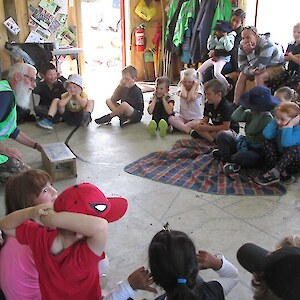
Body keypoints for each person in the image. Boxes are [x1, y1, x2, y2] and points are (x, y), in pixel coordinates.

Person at [0, 182, 128, 300]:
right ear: (80, 232)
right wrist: (52, 219)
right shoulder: (84, 256)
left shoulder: (40, 236)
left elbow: (5, 225)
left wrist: (31, 212)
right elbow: (101, 226)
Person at [0, 169, 58, 300]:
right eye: (45, 190)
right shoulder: (41, 232)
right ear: (28, 203)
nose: (54, 192)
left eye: (51, 185)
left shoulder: (14, 224)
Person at [148, 225, 239, 300]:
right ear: (195, 265)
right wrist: (216, 263)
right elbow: (233, 276)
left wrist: (133, 288)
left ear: (155, 278)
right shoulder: (212, 292)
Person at [214, 86, 279, 175]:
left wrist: (259, 113)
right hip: (245, 143)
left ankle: (229, 158)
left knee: (242, 157)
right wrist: (243, 106)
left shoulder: (267, 118)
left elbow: (251, 131)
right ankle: (228, 159)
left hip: (257, 150)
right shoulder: (250, 112)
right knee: (222, 135)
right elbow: (235, 117)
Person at [0, 62, 42, 183]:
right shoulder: (5, 96)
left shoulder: (6, 92)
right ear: (18, 76)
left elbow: (13, 131)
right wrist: (5, 150)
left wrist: (37, 146)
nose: (34, 85)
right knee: (25, 176)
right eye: (32, 80)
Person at [233, 26, 285, 106]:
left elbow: (259, 67)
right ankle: (235, 104)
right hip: (258, 65)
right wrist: (251, 71)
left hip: (276, 65)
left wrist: (249, 53)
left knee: (259, 76)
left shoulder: (267, 44)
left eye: (248, 38)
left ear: (256, 36)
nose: (245, 41)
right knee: (242, 75)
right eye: (243, 38)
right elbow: (241, 65)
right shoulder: (242, 44)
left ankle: (261, 105)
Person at [255, 101, 300, 186]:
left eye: (282, 119)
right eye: (277, 117)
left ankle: (275, 173)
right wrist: (274, 121)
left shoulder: (298, 130)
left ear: (295, 120)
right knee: (267, 141)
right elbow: (267, 135)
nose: (279, 121)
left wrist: (289, 126)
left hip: (292, 163)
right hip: (278, 160)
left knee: (293, 147)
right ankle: (281, 172)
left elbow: (286, 143)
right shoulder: (277, 123)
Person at [203, 9, 246, 83]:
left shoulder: (241, 34)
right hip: (219, 58)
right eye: (233, 20)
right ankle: (206, 92)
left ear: (241, 23)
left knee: (215, 72)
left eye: (237, 22)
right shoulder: (224, 28)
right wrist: (213, 54)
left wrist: (216, 53)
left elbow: (232, 51)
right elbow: (216, 41)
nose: (233, 23)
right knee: (207, 71)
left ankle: (220, 92)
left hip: (232, 61)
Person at [190, 79, 239, 143]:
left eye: (209, 94)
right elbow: (205, 119)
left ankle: (209, 138)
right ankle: (213, 140)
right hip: (215, 127)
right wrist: (201, 124)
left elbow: (225, 127)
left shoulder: (226, 106)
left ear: (218, 95)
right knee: (195, 125)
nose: (206, 97)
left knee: (221, 134)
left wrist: (206, 128)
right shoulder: (208, 103)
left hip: (228, 130)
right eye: (205, 94)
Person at [198, 20, 236, 91]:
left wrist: (225, 38)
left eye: (220, 31)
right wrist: (211, 37)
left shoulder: (230, 37)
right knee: (199, 71)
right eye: (217, 31)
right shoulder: (215, 37)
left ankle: (228, 86)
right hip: (214, 58)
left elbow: (229, 48)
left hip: (223, 59)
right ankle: (200, 85)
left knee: (217, 73)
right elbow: (210, 47)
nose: (218, 33)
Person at [168, 68, 203, 135]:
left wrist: (194, 86)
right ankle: (188, 130)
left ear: (194, 81)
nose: (187, 84)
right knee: (171, 119)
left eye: (189, 82)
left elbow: (189, 98)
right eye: (184, 81)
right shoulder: (181, 88)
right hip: (183, 117)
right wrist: (182, 86)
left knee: (199, 123)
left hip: (195, 118)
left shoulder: (198, 89)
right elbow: (184, 95)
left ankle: (181, 127)